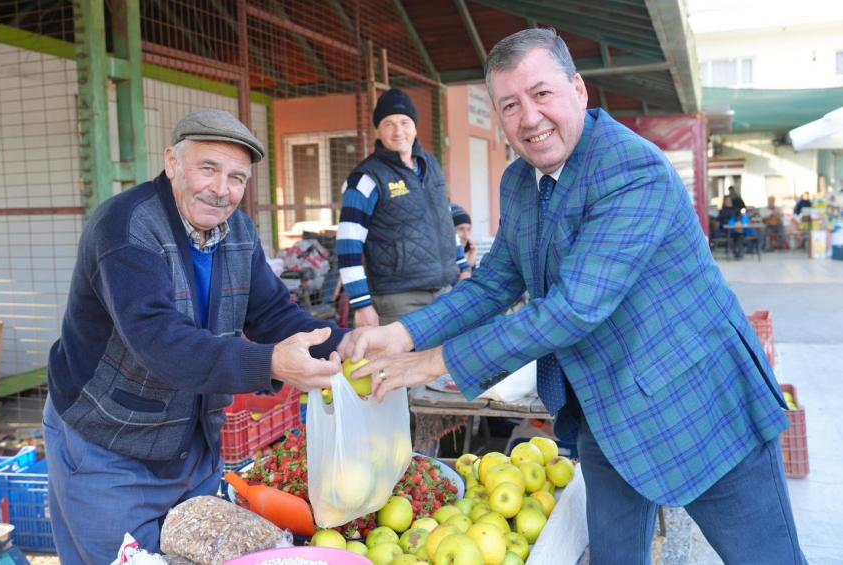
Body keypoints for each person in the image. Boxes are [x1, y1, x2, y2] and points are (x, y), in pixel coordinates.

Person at [340, 28, 805, 564]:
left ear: (578, 91)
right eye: (510, 105)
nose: (529, 118)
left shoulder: (632, 169)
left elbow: (573, 309)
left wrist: (430, 362)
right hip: (603, 412)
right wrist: (397, 333)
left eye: (542, 94)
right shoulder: (519, 182)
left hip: (698, 405)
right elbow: (494, 283)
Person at [44, 110, 347, 564]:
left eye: (237, 177)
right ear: (172, 162)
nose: (222, 189)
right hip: (109, 448)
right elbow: (158, 340)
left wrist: (343, 344)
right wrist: (268, 364)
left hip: (193, 444)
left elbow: (270, 312)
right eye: (208, 168)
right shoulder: (126, 228)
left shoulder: (238, 231)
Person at [336, 89, 469, 327]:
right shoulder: (366, 178)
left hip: (445, 294)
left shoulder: (431, 165)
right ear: (377, 130)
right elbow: (348, 244)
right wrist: (362, 305)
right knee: (403, 365)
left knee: (444, 364)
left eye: (404, 122)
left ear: (415, 127)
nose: (398, 131)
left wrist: (464, 268)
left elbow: (444, 220)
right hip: (398, 302)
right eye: (389, 123)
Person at [451, 203, 477, 268]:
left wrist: (470, 264)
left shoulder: (465, 256)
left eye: (468, 229)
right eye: (461, 229)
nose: (466, 236)